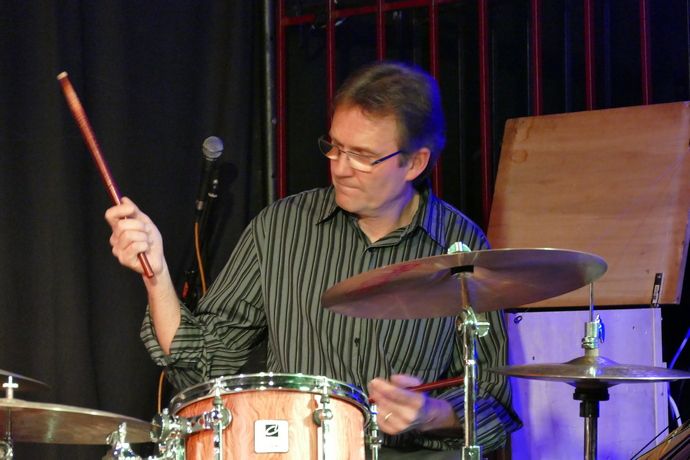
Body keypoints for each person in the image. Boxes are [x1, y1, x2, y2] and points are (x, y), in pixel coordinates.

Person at [106, 61, 521, 458]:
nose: (340, 168)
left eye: (362, 155)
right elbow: (204, 363)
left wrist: (431, 414)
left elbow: (492, 401)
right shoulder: (281, 227)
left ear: (414, 162)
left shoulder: (460, 245)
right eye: (335, 147)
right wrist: (156, 275)